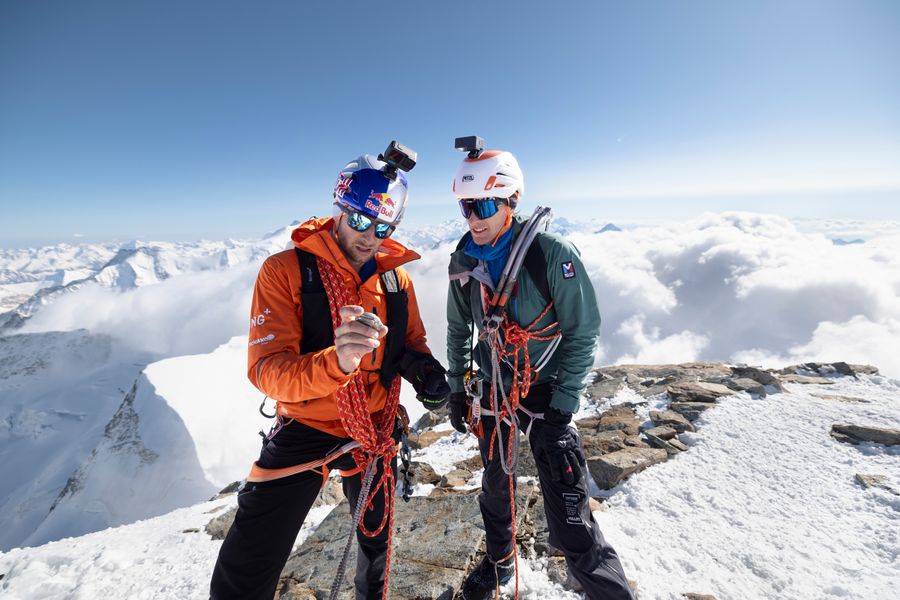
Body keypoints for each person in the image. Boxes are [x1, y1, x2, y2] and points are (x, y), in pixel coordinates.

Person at [210, 144, 450, 600]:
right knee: (249, 559)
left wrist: (427, 374)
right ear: (339, 210)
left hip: (374, 425)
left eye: (383, 227)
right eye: (360, 220)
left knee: (377, 540)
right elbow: (267, 370)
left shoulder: (397, 280)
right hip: (308, 423)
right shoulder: (285, 271)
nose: (369, 236)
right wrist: (336, 363)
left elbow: (410, 343)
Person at [445, 139, 635, 600]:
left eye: (483, 205)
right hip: (493, 388)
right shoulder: (465, 259)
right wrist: (456, 388)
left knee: (569, 508)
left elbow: (583, 329)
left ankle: (608, 591)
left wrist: (563, 406)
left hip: (544, 388)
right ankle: (500, 562)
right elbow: (458, 328)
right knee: (494, 486)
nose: (473, 218)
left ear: (511, 201)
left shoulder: (551, 253)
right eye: (465, 206)